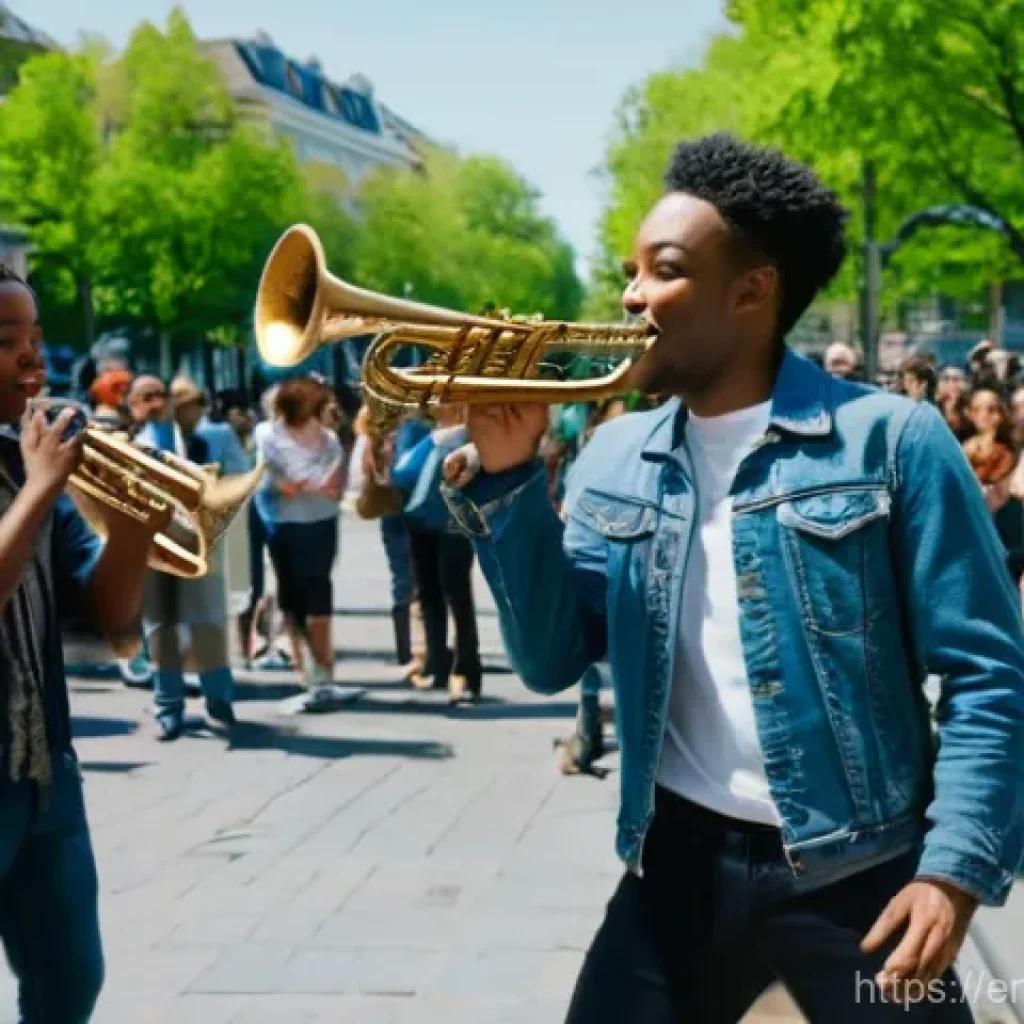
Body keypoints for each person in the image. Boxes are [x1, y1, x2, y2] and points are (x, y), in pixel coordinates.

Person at [443, 134, 1024, 1022]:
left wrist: (954, 871)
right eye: (630, 272)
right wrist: (509, 476)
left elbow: (989, 675)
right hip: (674, 865)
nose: (631, 295)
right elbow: (551, 662)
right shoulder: (613, 453)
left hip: (862, 877)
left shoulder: (893, 440)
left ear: (753, 291)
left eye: (664, 270)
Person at [0, 266, 161, 1019]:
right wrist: (40, 488)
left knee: (70, 984)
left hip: (43, 775)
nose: (35, 358)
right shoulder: (37, 475)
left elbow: (111, 622)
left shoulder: (26, 463)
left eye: (36, 337)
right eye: (9, 340)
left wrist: (135, 526)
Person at [258, 377, 361, 711]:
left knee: (320, 593)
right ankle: (307, 674)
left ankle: (325, 675)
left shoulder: (329, 439)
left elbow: (333, 486)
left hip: (321, 521)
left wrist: (308, 482)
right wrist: (308, 483)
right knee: (292, 597)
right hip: (285, 524)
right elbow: (285, 483)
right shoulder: (268, 435)